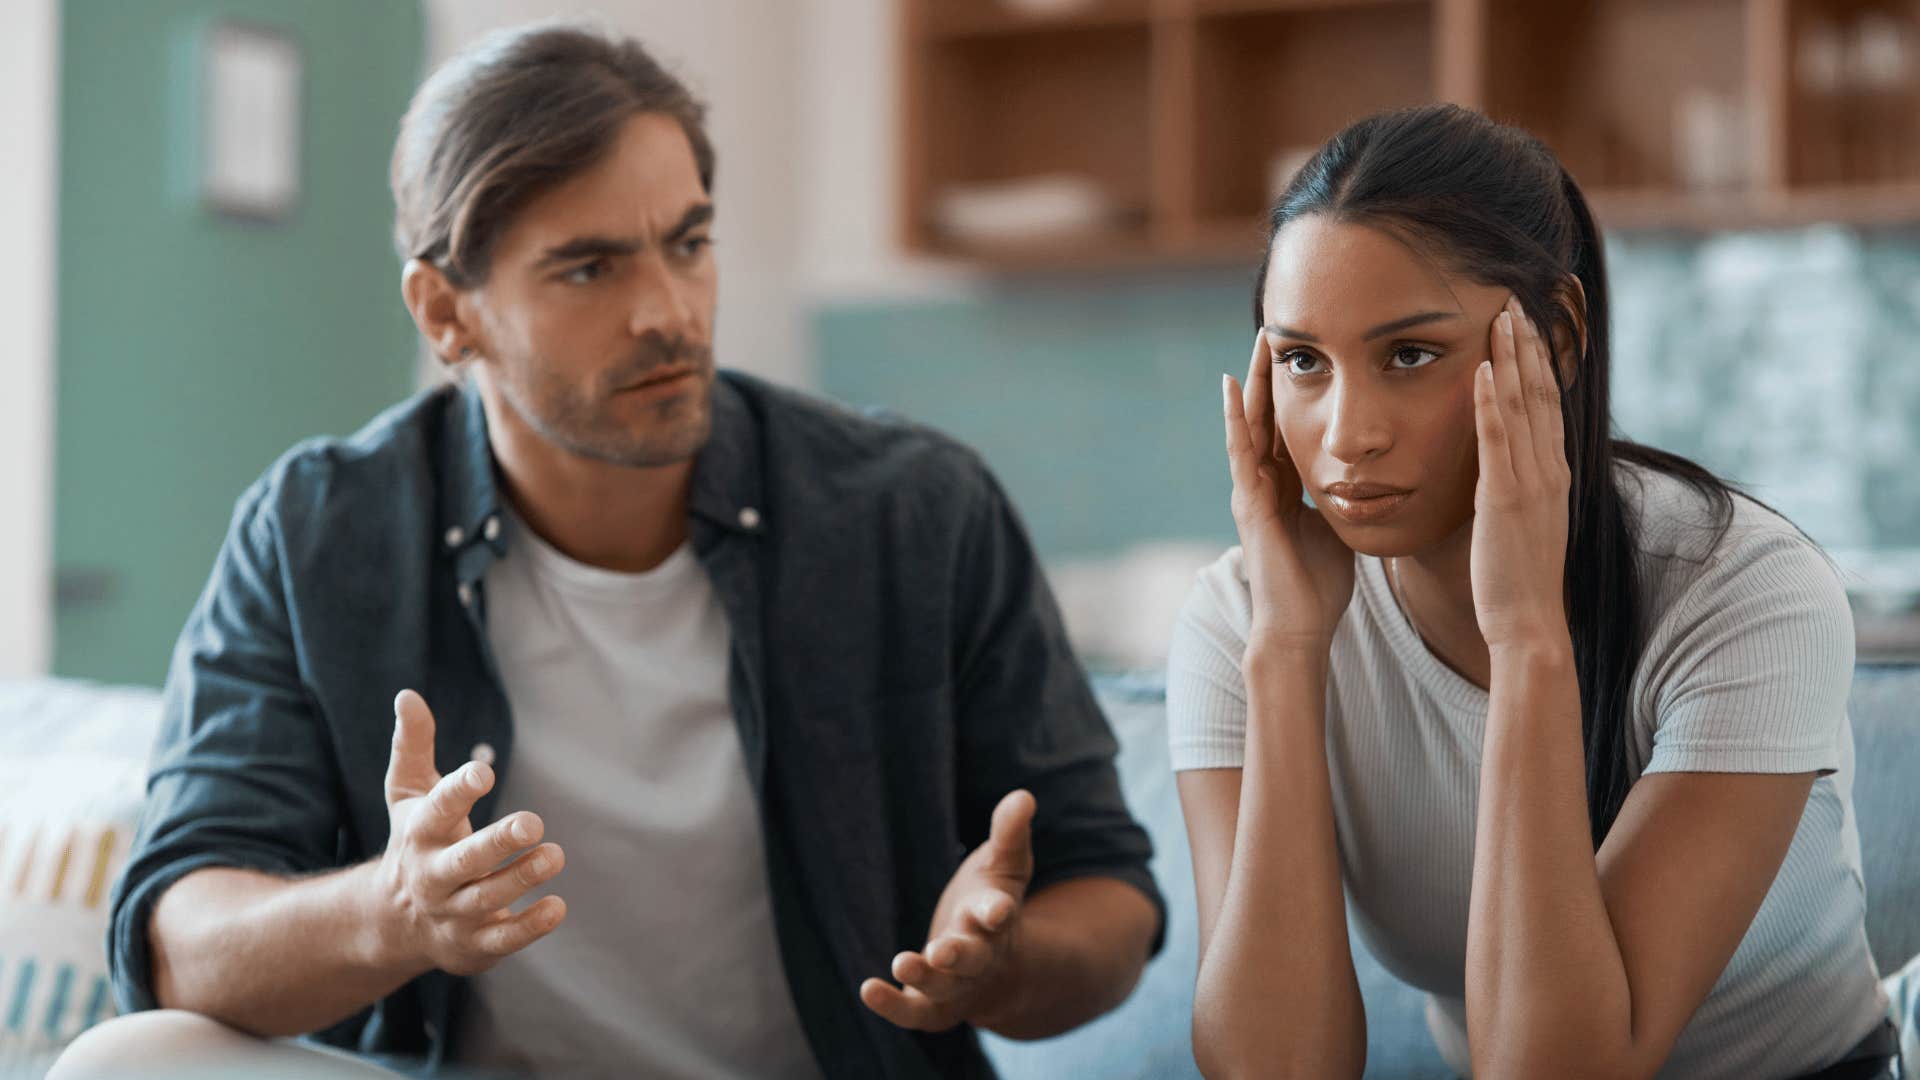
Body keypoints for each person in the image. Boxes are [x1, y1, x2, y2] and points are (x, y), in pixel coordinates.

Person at [53, 21, 1163, 1080]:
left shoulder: (916, 512)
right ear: (448, 313)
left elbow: (1109, 898)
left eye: (687, 243)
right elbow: (174, 942)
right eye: (590, 269)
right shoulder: (318, 531)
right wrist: (392, 912)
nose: (668, 312)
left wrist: (1006, 965)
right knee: (122, 1063)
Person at [1171, 104, 1900, 1079]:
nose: (1348, 436)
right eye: (1303, 359)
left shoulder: (1740, 591)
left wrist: (1526, 639)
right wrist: (1287, 652)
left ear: (1554, 337)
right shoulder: (1242, 620)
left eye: (1409, 356)